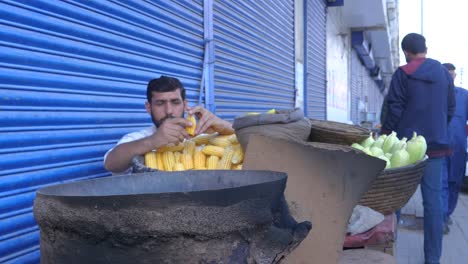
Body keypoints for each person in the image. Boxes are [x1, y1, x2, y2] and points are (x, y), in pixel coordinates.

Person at [380, 33, 455, 264]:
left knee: (396, 201)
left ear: (406, 52)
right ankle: (432, 260)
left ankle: (388, 254)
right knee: (433, 206)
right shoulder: (444, 74)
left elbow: (394, 109)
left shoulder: (403, 73)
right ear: (425, 48)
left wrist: (386, 138)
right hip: (435, 150)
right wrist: (437, 131)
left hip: (405, 152)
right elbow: (450, 108)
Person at [104, 75, 234, 174]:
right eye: (160, 103)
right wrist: (153, 141)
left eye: (175, 102)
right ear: (149, 107)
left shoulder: (206, 135)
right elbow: (111, 163)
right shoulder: (141, 138)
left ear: (185, 105)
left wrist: (227, 128)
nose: (169, 111)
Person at [442, 63, 468, 226]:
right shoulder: (434, 94)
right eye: (447, 75)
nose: (450, 79)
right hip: (438, 147)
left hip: (458, 147)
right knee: (440, 182)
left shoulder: (464, 95)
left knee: (455, 182)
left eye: (452, 76)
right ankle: (441, 217)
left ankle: (447, 213)